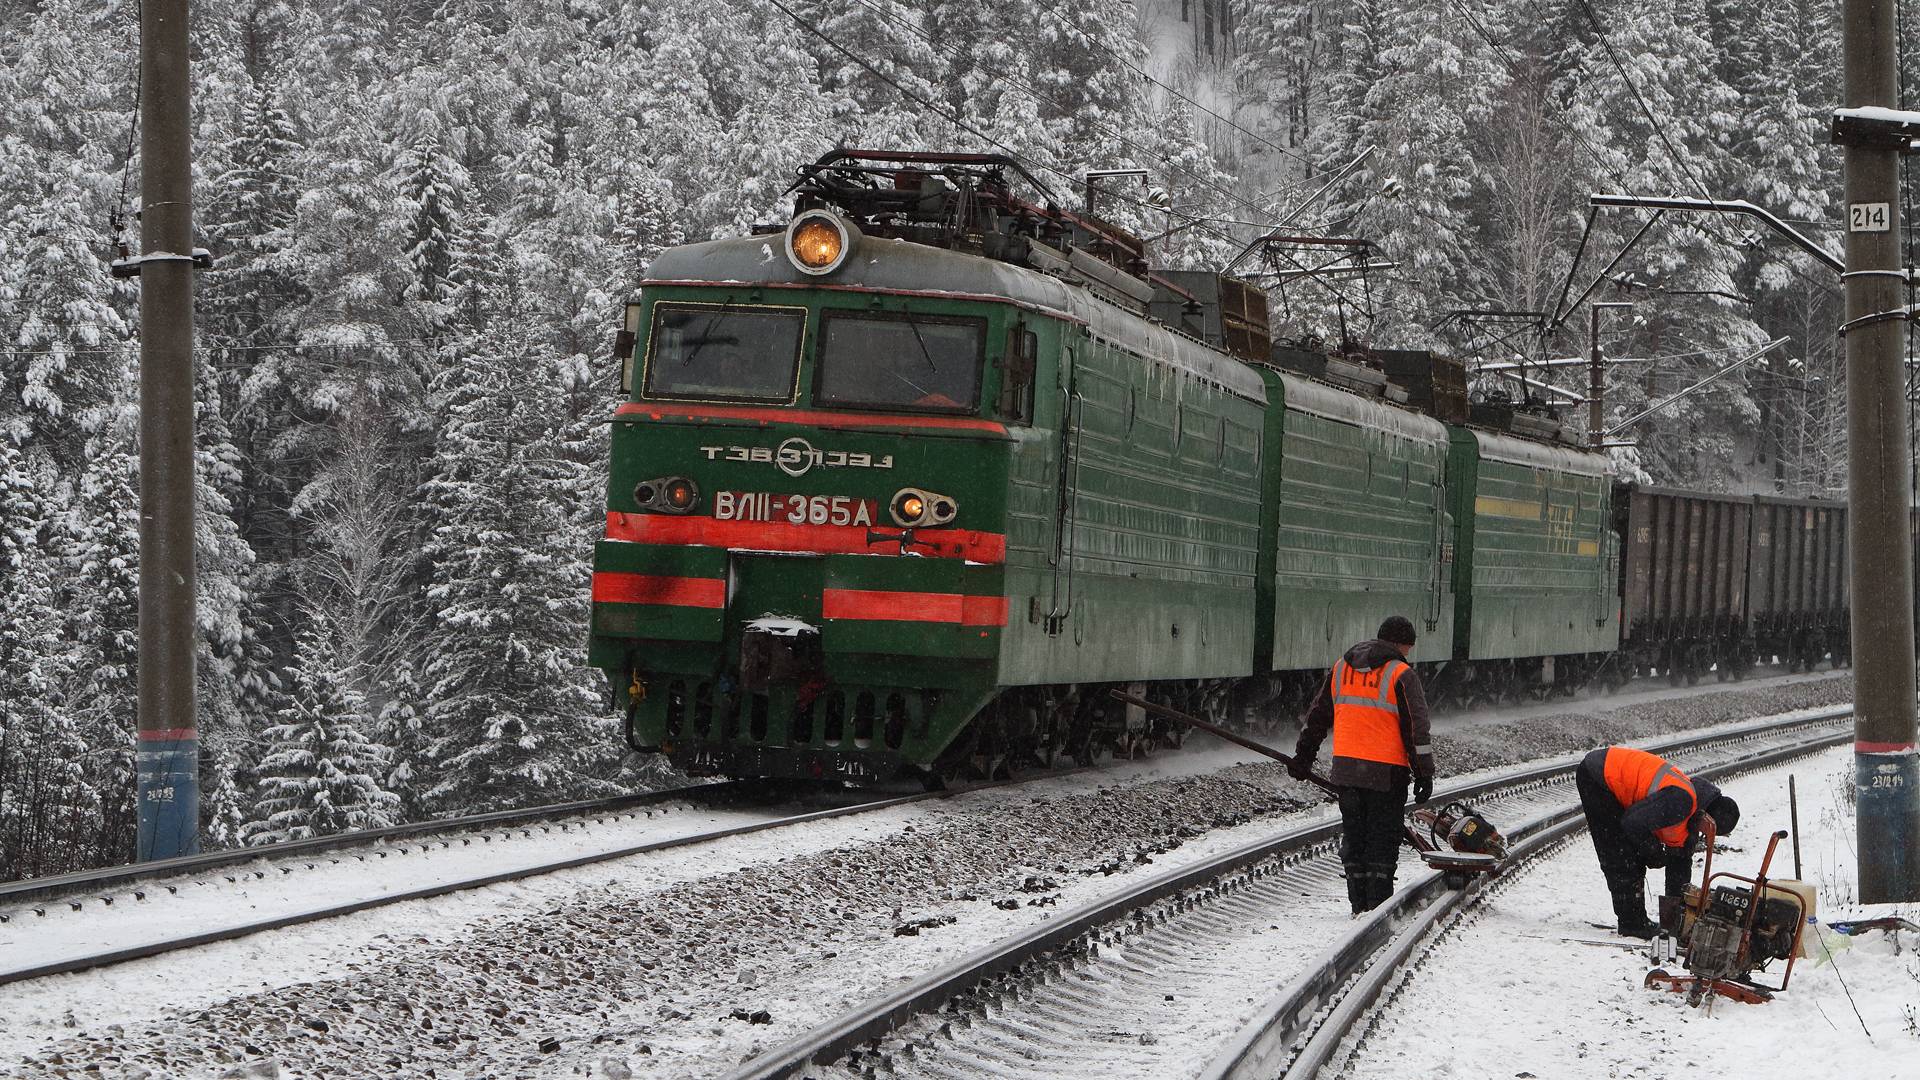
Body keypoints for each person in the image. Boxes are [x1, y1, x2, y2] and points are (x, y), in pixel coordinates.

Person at [1291, 615, 1435, 914]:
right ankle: (1378, 909)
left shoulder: (1342, 668)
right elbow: (1416, 730)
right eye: (1407, 648)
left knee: (1355, 838)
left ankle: (1359, 905)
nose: (1407, 655)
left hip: (1346, 772)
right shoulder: (1401, 674)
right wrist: (1423, 773)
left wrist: (1304, 756)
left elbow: (1318, 716)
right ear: (1399, 644)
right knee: (1382, 842)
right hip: (1387, 774)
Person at [1576, 745, 1741, 938]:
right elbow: (1632, 823)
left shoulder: (1692, 816)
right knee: (1621, 855)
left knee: (1631, 852)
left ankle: (1636, 920)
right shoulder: (1681, 800)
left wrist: (1676, 922)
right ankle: (1632, 924)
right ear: (1708, 817)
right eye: (1708, 832)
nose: (1703, 836)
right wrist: (1653, 853)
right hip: (1599, 776)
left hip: (1610, 776)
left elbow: (1678, 867)